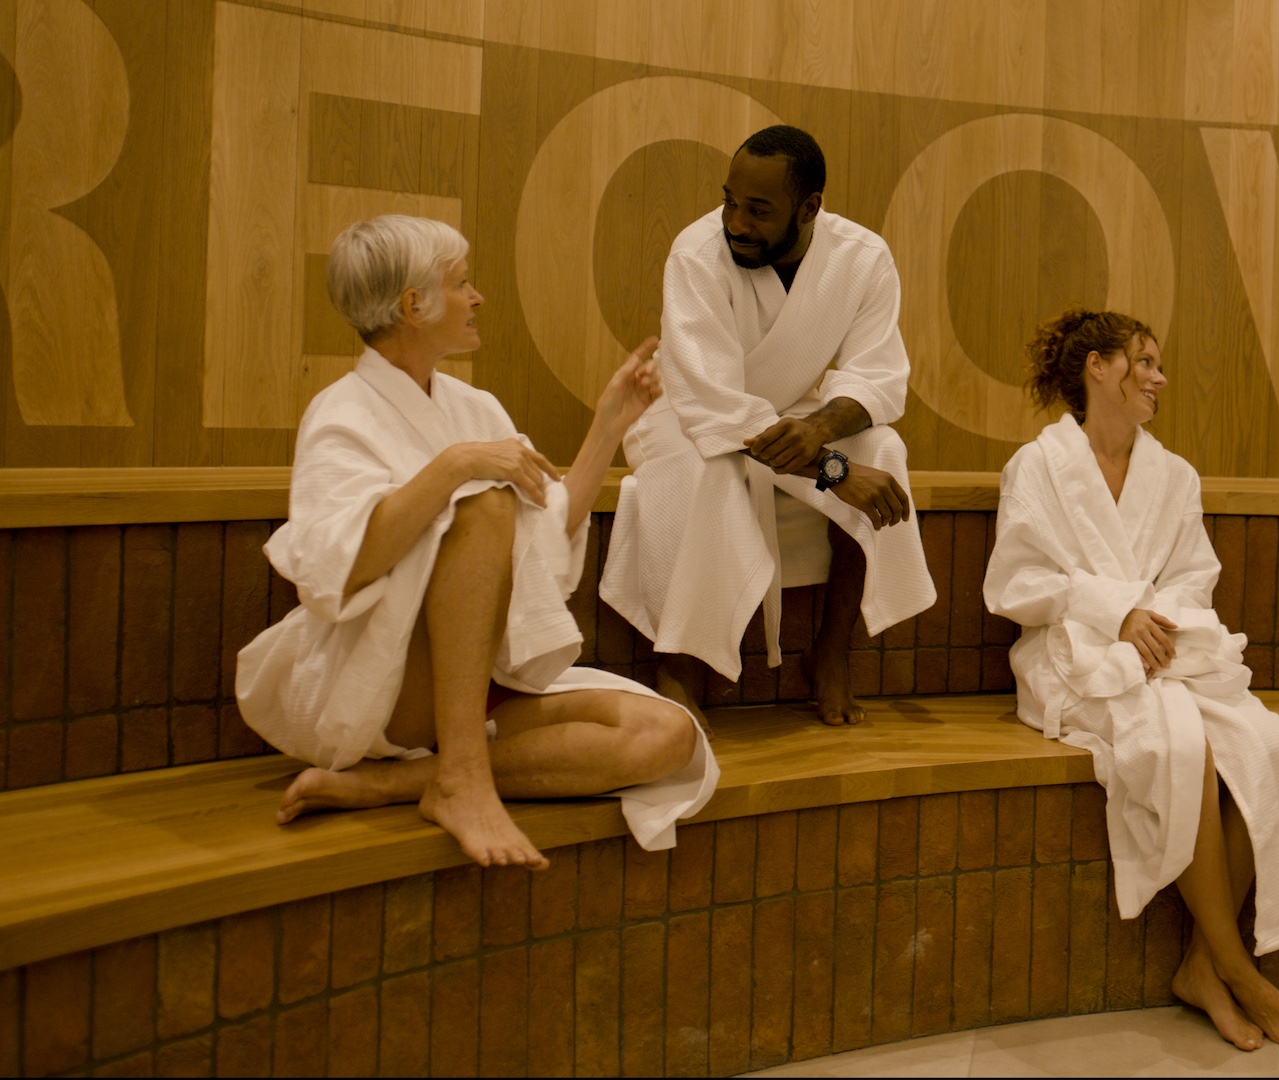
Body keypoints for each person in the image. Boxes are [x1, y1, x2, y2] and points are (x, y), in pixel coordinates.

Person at [237, 215, 715, 870]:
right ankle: (461, 776)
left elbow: (544, 540)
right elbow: (337, 571)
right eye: (462, 283)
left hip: (483, 674)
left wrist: (608, 425)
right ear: (414, 306)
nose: (477, 297)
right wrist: (456, 467)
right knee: (484, 501)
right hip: (389, 683)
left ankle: (400, 785)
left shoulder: (475, 408)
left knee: (666, 737)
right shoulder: (341, 413)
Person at [984, 309, 1279, 1051]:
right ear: (1096, 368)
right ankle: (1237, 968)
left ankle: (1204, 966)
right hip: (1071, 656)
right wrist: (1117, 612)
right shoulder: (1036, 467)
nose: (1158, 378)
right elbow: (1014, 582)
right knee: (1182, 749)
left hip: (1164, 654)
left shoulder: (1173, 474)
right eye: (1144, 362)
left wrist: (1156, 623)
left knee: (1269, 749)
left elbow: (1195, 576)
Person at [600, 125, 936, 729]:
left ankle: (830, 655)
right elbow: (714, 404)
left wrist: (822, 431)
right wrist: (833, 469)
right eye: (729, 200)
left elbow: (878, 376)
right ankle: (677, 666)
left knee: (882, 446)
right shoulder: (695, 253)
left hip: (791, 413)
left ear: (810, 208)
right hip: (685, 415)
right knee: (708, 470)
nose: (735, 222)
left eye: (758, 210)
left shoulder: (862, 258)